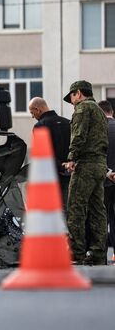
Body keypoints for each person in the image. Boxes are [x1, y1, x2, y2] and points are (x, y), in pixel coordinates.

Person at [62, 81, 108, 265]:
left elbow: (79, 135)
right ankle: (97, 253)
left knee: (75, 208)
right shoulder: (99, 111)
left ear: (78, 93)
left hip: (86, 164)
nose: (72, 102)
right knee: (98, 210)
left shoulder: (82, 108)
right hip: (99, 165)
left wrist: (72, 157)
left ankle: (76, 252)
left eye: (72, 97)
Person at [28, 97, 71, 210]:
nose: (33, 116)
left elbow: (43, 154)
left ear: (38, 109)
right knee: (68, 209)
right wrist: (66, 167)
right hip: (69, 174)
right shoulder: (68, 122)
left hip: (51, 176)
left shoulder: (40, 126)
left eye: (32, 113)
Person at [98, 100, 115, 257]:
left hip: (104, 181)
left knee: (103, 218)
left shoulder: (98, 131)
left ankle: (101, 255)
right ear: (112, 112)